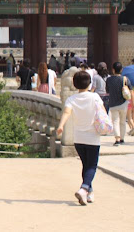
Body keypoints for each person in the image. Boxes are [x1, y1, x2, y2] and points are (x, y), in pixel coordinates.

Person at [56, 71, 104, 205]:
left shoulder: (71, 99)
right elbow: (102, 113)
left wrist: (61, 125)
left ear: (74, 84)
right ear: (89, 83)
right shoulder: (95, 97)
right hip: (92, 136)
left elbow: (66, 112)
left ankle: (89, 193)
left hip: (78, 138)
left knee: (86, 165)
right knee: (92, 166)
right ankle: (84, 189)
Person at [106, 62, 130, 145]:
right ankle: (122, 138)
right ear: (121, 70)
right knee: (123, 121)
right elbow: (130, 89)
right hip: (123, 103)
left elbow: (107, 91)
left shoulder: (109, 79)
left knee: (115, 121)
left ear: (113, 70)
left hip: (113, 103)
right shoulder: (125, 79)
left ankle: (117, 139)